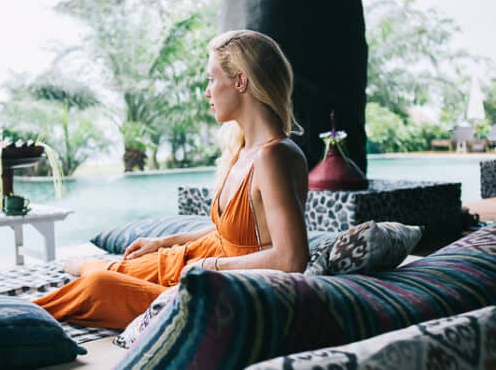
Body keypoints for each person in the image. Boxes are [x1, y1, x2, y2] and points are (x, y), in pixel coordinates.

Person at [33, 30, 309, 329]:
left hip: (222, 287)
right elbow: (230, 235)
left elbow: (291, 258)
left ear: (240, 81)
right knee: (106, 267)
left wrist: (209, 267)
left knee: (97, 285)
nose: (207, 92)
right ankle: (75, 278)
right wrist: (166, 241)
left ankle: (15, 318)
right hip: (201, 262)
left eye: (211, 79)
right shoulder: (244, 150)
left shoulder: (274, 157)